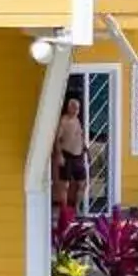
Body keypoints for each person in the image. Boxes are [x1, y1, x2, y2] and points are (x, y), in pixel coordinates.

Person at [53, 87, 89, 221]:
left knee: (82, 184)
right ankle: (64, 210)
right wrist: (59, 155)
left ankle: (77, 208)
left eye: (78, 108)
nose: (76, 110)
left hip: (79, 156)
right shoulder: (64, 121)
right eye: (74, 107)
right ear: (69, 108)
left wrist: (86, 150)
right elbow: (56, 139)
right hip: (67, 156)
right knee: (65, 185)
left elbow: (79, 136)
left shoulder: (78, 120)